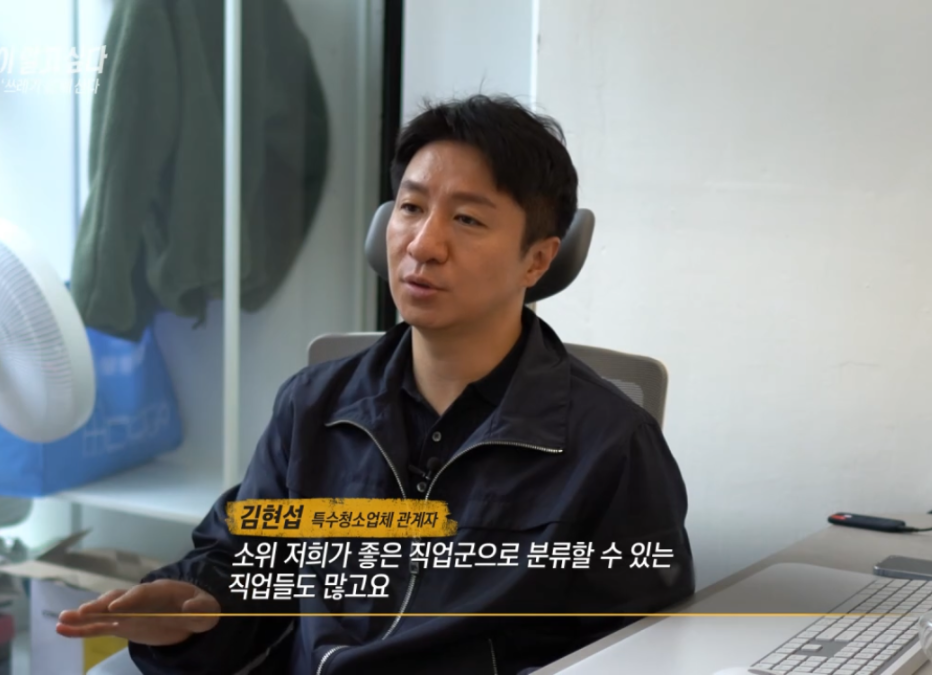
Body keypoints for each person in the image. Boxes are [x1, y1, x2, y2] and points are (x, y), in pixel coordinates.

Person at [56, 94, 695, 675]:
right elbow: (248, 568)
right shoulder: (314, 406)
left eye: (468, 220)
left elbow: (639, 653)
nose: (424, 244)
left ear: (538, 258)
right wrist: (198, 609)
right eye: (410, 208)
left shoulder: (610, 446)